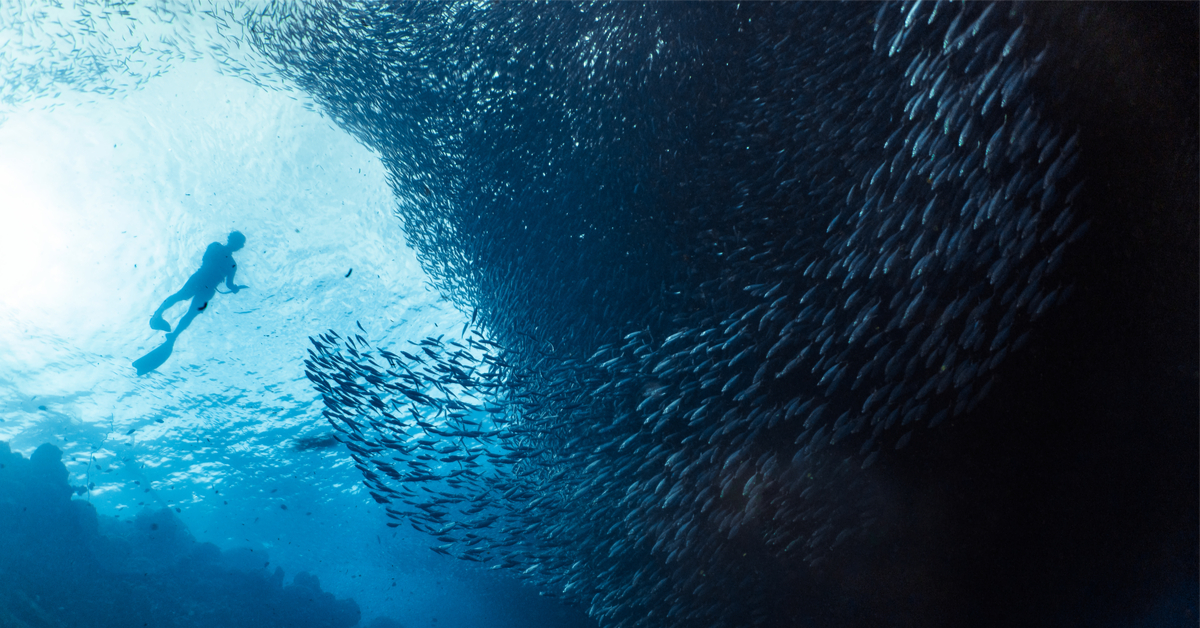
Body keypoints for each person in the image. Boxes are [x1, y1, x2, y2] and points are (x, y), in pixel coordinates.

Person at [134, 231, 248, 375]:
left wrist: (234, 287)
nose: (240, 247)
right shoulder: (227, 259)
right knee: (184, 302)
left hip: (205, 284)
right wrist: (235, 288)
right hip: (203, 281)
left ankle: (169, 330)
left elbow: (226, 280)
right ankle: (161, 320)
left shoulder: (224, 255)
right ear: (233, 241)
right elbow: (228, 283)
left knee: (188, 308)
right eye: (240, 244)